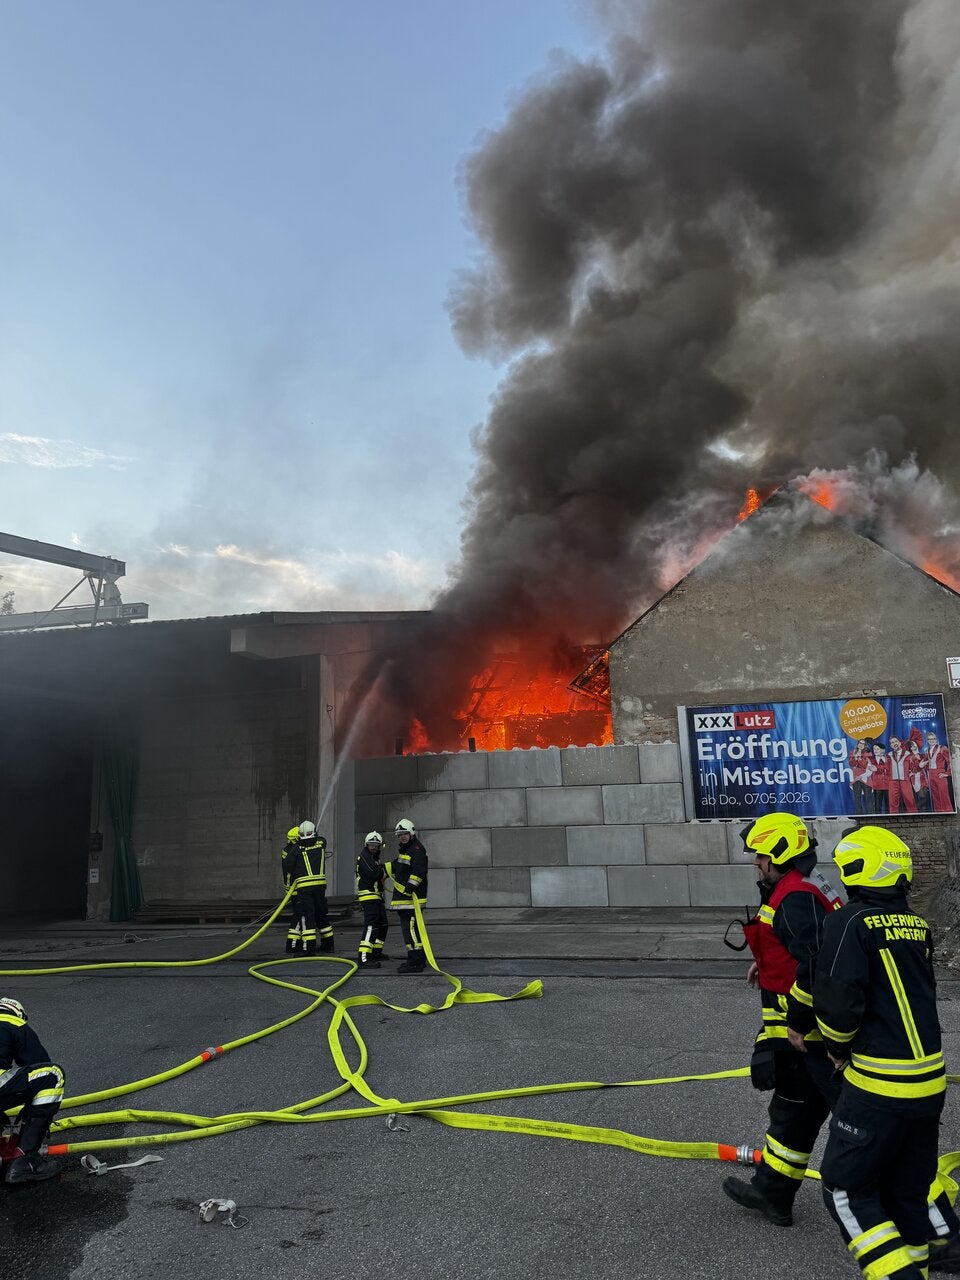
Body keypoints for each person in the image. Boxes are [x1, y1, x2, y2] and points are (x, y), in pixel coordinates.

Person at [815, 826, 947, 1280]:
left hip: (878, 1085)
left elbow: (837, 1002)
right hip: (930, 1084)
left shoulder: (847, 921)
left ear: (858, 870)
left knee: (844, 1191)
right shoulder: (918, 927)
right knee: (907, 1193)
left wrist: (835, 1048)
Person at [722, 812, 843, 1226]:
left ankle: (928, 1222)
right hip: (804, 1038)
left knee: (865, 1126)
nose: (755, 861)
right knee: (792, 1111)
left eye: (759, 854)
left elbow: (817, 965)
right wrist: (766, 963)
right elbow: (794, 948)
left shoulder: (795, 897)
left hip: (815, 1037)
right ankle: (772, 1193)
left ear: (779, 853)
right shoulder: (803, 887)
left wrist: (801, 1024)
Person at [0, 996, 65, 1184]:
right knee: (53, 1074)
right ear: (18, 1013)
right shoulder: (14, 1022)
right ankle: (26, 1159)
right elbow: (39, 1062)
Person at [284, 821, 334, 955]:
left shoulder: (297, 848)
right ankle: (328, 944)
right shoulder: (321, 842)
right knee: (321, 914)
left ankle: (308, 949)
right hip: (320, 887)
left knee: (307, 918)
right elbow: (320, 840)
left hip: (304, 889)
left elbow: (287, 865)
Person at [386, 818, 428, 974]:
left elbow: (419, 872)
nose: (402, 836)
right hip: (405, 900)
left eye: (405, 833)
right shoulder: (406, 850)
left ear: (412, 833)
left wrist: (410, 888)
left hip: (411, 900)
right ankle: (417, 959)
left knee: (410, 930)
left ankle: (415, 961)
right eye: (400, 834)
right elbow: (397, 865)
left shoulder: (416, 849)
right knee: (410, 930)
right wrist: (381, 868)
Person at [356, 831, 389, 968]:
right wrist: (385, 869)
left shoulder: (374, 857)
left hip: (376, 895)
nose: (374, 847)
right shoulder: (364, 857)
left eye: (376, 845)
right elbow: (374, 873)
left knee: (383, 924)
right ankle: (363, 957)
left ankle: (375, 952)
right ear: (366, 844)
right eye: (371, 845)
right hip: (368, 895)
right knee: (371, 925)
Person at [280, 824, 302, 954]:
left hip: (292, 888)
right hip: (296, 888)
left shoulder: (287, 849)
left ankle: (297, 941)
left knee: (300, 915)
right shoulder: (293, 851)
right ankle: (292, 944)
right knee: (298, 915)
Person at [887, 735, 918, 814]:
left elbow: (914, 766)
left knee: (910, 801)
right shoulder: (889, 755)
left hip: (905, 780)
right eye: (892, 742)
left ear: (900, 743)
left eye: (896, 741)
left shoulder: (908, 754)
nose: (895, 743)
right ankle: (893, 820)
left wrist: (913, 772)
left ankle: (914, 818)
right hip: (893, 781)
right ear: (890, 745)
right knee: (893, 803)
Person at [926, 731, 954, 814]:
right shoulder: (927, 750)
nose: (931, 740)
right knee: (935, 797)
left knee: (944, 796)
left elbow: (950, 761)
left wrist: (947, 773)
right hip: (931, 775)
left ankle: (948, 814)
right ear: (927, 740)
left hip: (939, 774)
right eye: (929, 739)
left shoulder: (942, 748)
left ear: (936, 739)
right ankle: (938, 815)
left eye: (933, 739)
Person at [848, 739, 874, 816]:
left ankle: (871, 815)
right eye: (860, 743)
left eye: (863, 744)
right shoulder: (853, 752)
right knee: (857, 798)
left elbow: (865, 766)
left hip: (866, 778)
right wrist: (855, 758)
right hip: (856, 778)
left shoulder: (868, 753)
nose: (861, 745)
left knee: (868, 797)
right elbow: (851, 764)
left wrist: (859, 759)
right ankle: (859, 816)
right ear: (858, 744)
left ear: (865, 745)